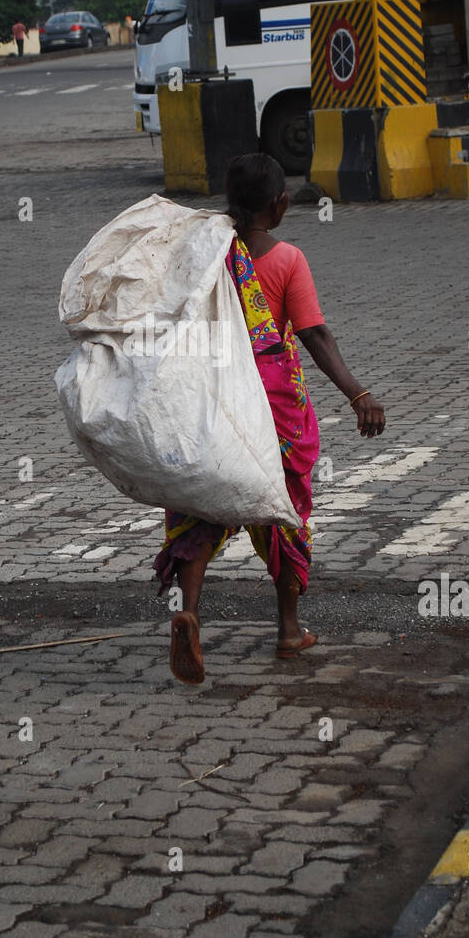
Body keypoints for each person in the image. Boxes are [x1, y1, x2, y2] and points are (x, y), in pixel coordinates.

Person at [154, 152, 386, 685]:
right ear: (280, 205)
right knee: (283, 511)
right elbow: (314, 335)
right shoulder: (287, 260)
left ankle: (187, 610)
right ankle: (287, 629)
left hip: (211, 408)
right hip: (272, 414)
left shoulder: (205, 253)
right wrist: (358, 394)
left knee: (199, 508)